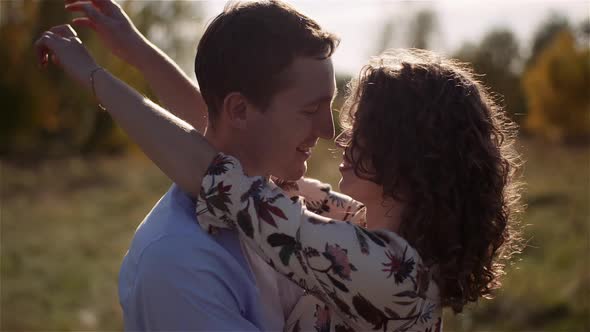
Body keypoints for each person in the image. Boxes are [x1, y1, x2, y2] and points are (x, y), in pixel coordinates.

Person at [37, 4, 523, 332]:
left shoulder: (388, 274)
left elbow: (222, 179)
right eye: (317, 109)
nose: (339, 137)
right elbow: (224, 139)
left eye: (358, 128)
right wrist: (136, 50)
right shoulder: (358, 228)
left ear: (403, 161)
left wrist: (92, 75)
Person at [53, 0, 343, 329]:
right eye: (310, 110)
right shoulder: (179, 261)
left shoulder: (287, 199)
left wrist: (134, 54)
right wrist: (104, 72)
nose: (328, 131)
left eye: (329, 105)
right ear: (239, 111)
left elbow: (213, 134)